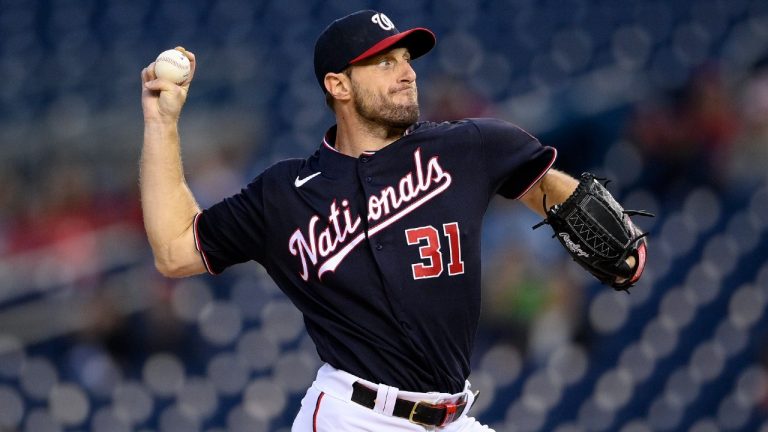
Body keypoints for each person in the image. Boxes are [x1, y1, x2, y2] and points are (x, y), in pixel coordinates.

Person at [140, 10, 643, 431]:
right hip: (352, 416)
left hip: (452, 417)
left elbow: (546, 186)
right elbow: (175, 250)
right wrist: (161, 123)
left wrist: (579, 210)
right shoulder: (284, 195)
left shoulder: (468, 147)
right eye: (384, 63)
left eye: (406, 59)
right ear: (338, 84)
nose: (407, 72)